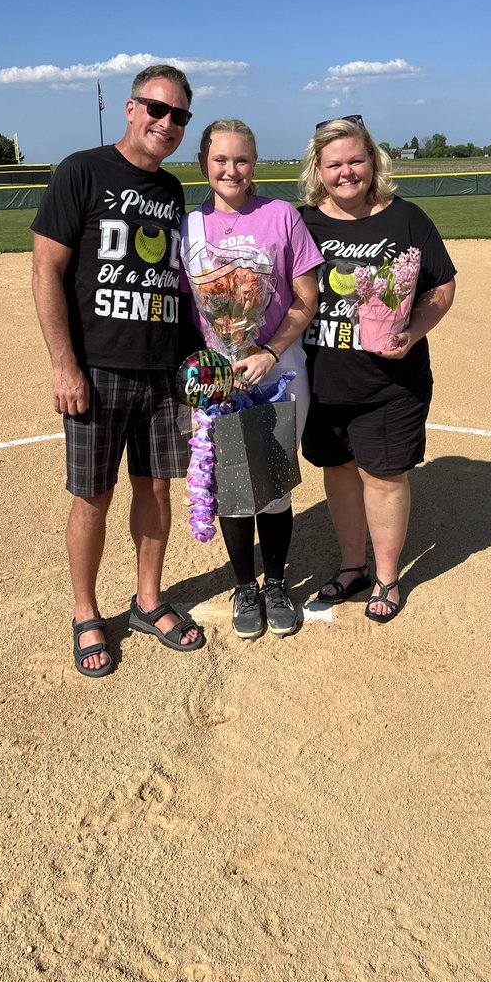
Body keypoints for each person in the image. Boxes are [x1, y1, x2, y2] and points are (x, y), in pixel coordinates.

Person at [31, 64, 205, 677]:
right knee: (92, 496)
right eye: (157, 109)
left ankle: (148, 601)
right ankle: (86, 612)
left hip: (162, 372)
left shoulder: (172, 192)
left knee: (156, 488)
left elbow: (177, 285)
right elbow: (46, 271)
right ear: (131, 109)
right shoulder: (82, 170)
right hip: (98, 368)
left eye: (180, 115)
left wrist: (195, 363)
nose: (167, 123)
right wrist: (64, 364)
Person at [299, 115, 456, 622]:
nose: (347, 172)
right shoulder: (301, 222)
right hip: (322, 380)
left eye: (356, 160)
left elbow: (442, 288)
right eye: (335, 164)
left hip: (390, 381)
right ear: (317, 169)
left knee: (384, 477)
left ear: (373, 160)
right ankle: (353, 566)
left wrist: (412, 332)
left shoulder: (405, 218)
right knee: (339, 472)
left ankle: (386, 579)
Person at [181, 120, 323, 640]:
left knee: (276, 485)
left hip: (279, 370)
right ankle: (246, 585)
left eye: (241, 160)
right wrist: (206, 367)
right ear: (204, 165)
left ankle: (278, 581)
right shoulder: (189, 226)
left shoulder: (281, 216)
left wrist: (268, 350)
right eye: (220, 160)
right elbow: (182, 308)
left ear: (254, 165)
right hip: (219, 376)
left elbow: (306, 300)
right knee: (233, 485)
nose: (231, 170)